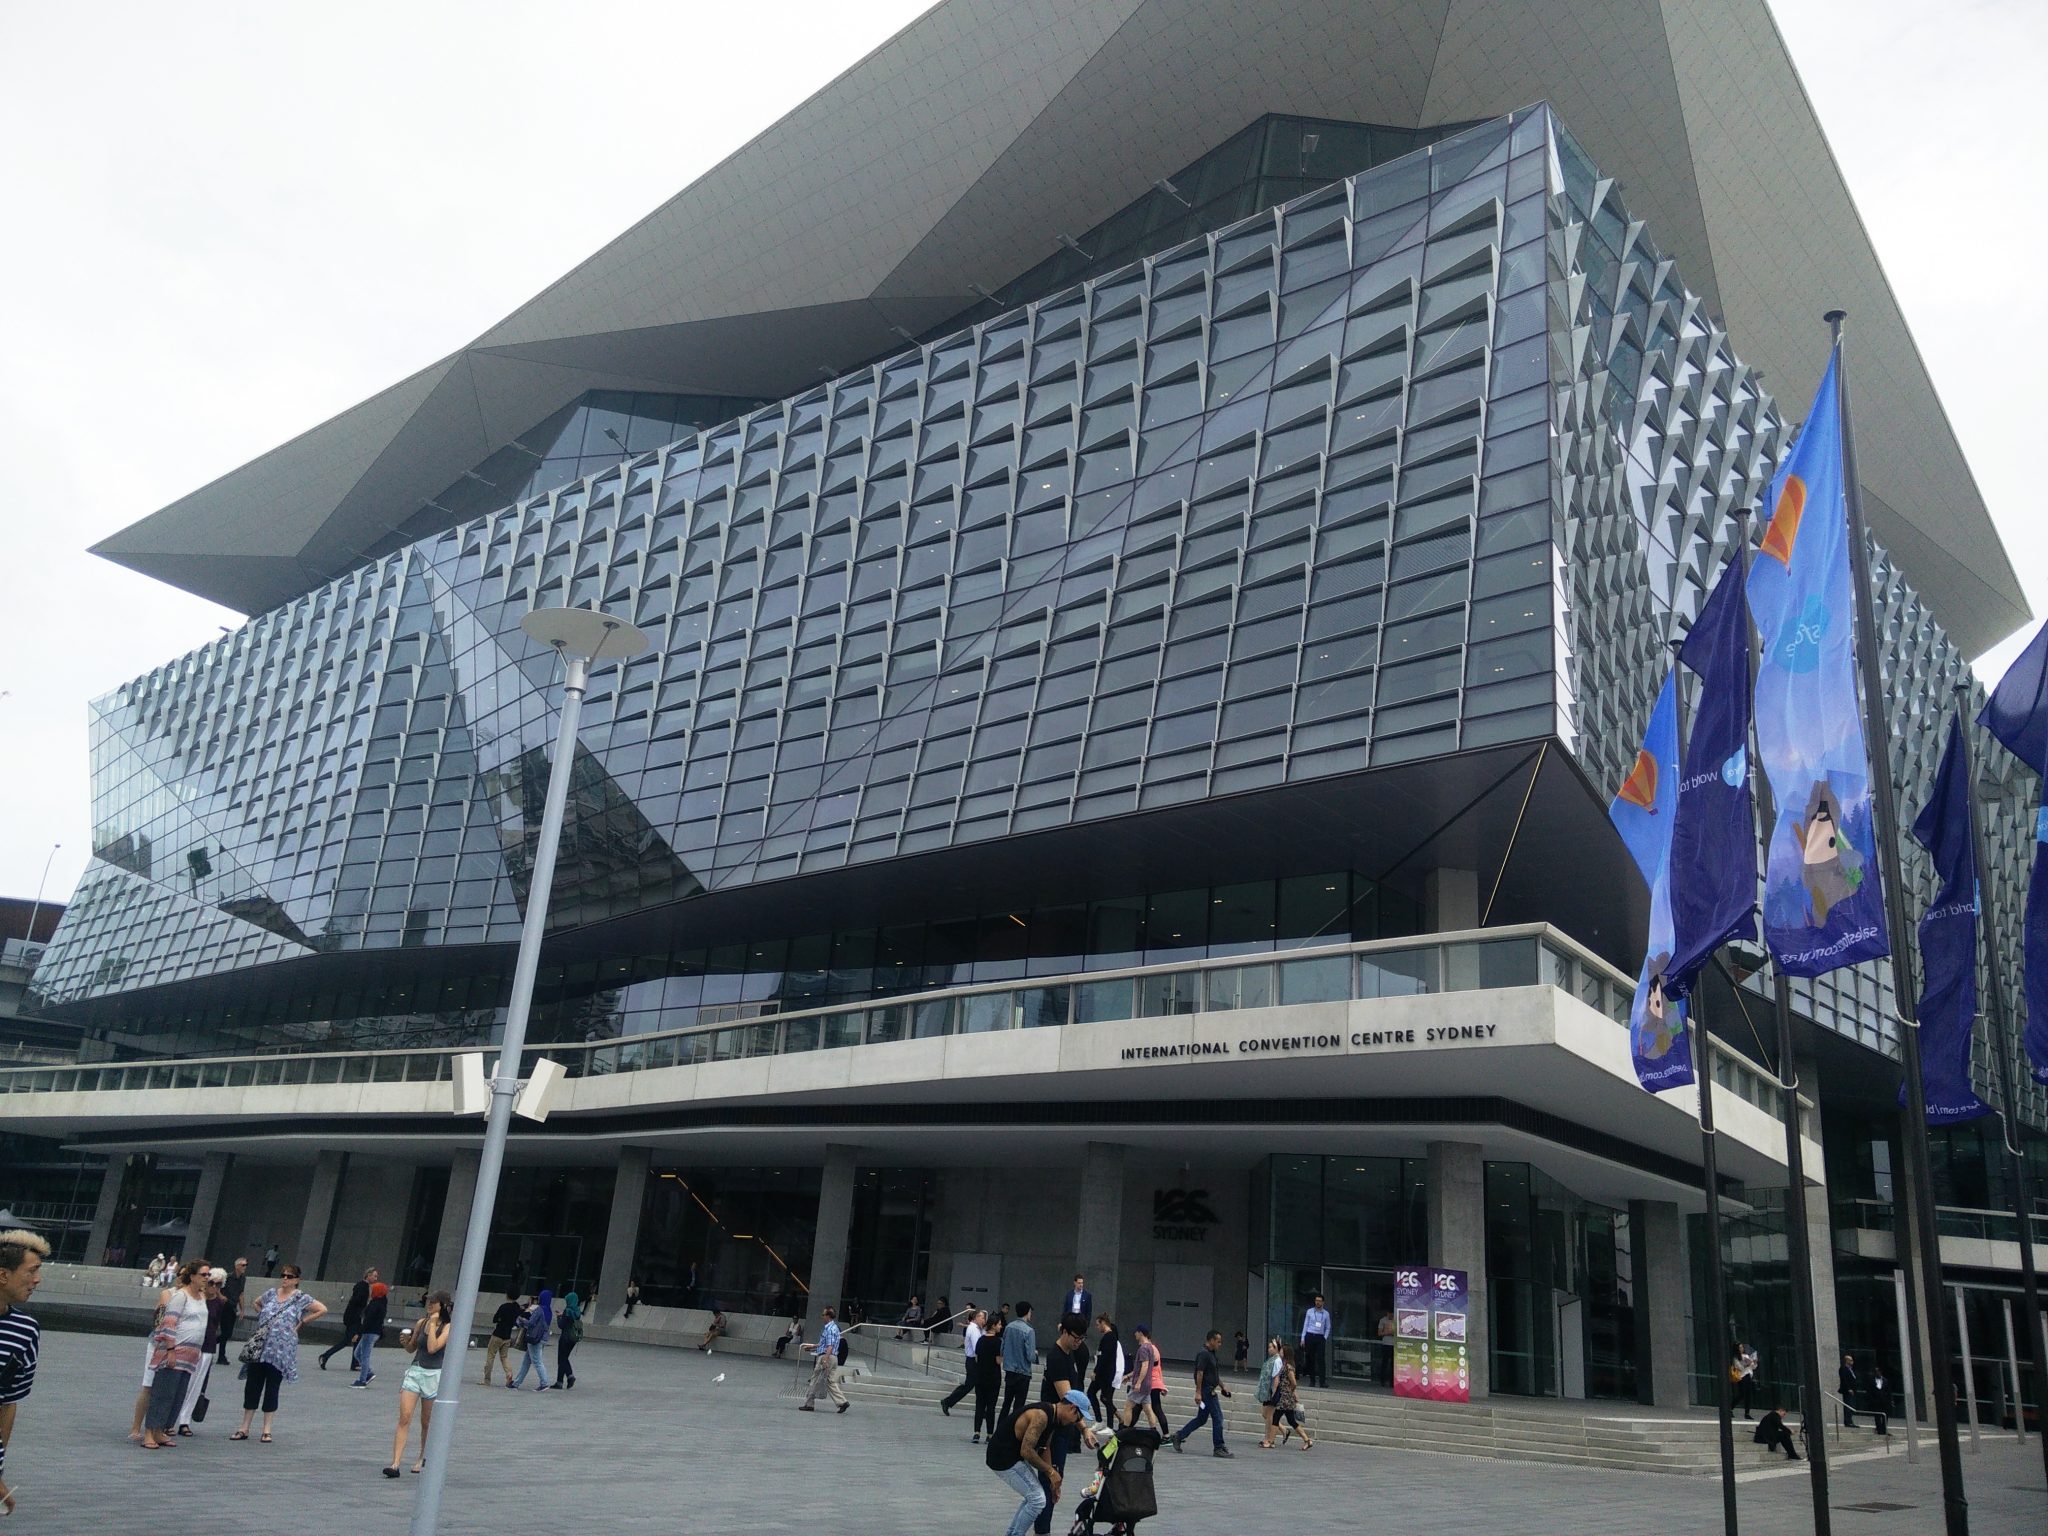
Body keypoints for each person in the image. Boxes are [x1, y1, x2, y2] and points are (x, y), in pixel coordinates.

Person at [231, 1263, 327, 1442]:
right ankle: (244, 1427)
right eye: (283, 1275)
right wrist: (264, 1318)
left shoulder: (300, 1298)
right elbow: (256, 1302)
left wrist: (302, 1322)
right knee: (252, 1386)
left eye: (289, 1276)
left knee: (272, 1387)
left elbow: (322, 1309)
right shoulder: (271, 1294)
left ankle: (267, 1429)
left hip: (281, 1350)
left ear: (297, 1280)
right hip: (260, 1347)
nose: (285, 1279)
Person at [987, 1393, 1089, 1536]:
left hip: (1011, 1456)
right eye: (1078, 1417)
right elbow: (1027, 1451)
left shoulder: (1054, 1418)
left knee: (1035, 1497)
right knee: (1037, 1500)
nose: (1075, 1422)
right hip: (1002, 1457)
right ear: (1072, 1408)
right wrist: (1051, 1472)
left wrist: (1053, 1480)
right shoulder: (1041, 1415)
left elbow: (1044, 1448)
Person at [0, 1228, 49, 1518]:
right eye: (31, 1271)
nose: (37, 1279)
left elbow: (7, 1403)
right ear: (3, 1275)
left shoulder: (25, 1330)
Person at [382, 1290, 452, 1477]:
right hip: (415, 1371)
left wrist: (434, 1323)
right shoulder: (421, 1323)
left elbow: (433, 1348)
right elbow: (412, 1348)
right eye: (428, 1302)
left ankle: (422, 1456)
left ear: (443, 1306)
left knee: (426, 1421)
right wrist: (406, 1342)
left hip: (433, 1374)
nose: (429, 1305)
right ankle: (395, 1463)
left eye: (434, 1303)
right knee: (404, 1417)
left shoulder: (447, 1327)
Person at [1032, 1320, 1091, 1535]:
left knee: (1054, 1481)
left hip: (1062, 1429)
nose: (1078, 1342)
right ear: (1064, 1332)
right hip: (1052, 1430)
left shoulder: (1068, 1354)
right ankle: (1042, 1531)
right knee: (1050, 1480)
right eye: (1076, 1337)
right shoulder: (1057, 1357)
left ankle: (1042, 1528)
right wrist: (1084, 1428)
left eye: (1082, 1338)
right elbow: (1069, 1400)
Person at [142, 1261, 209, 1449]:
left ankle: (160, 1430)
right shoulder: (181, 1296)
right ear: (193, 1276)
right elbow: (169, 1323)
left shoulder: (201, 1297)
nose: (206, 1278)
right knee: (162, 1393)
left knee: (176, 1396)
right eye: (203, 1274)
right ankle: (149, 1433)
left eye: (208, 1275)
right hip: (175, 1352)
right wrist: (170, 1350)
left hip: (190, 1356)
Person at [174, 1267, 229, 1435]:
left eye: (219, 1284)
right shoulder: (196, 1299)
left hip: (207, 1346)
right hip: (188, 1344)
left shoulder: (221, 1302)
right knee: (179, 1382)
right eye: (211, 1283)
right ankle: (170, 1419)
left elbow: (220, 1326)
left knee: (196, 1385)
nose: (214, 1287)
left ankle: (184, 1420)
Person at [1170, 1328, 1234, 1457]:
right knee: (1218, 1418)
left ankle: (1179, 1436)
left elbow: (1214, 1374)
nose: (1220, 1344)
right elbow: (1200, 1373)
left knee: (1201, 1419)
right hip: (1207, 1392)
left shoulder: (1212, 1354)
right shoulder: (1203, 1354)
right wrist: (1198, 1392)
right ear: (1211, 1340)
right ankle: (1218, 1447)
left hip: (1209, 1390)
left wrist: (1222, 1386)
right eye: (1218, 1341)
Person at [322, 1266, 377, 1369]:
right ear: (368, 1275)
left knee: (357, 1339)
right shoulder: (363, 1287)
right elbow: (357, 1303)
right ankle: (326, 1355)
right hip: (354, 1317)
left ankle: (354, 1363)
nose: (376, 1278)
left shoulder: (361, 1286)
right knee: (347, 1340)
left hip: (352, 1316)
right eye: (374, 1276)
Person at [798, 1305, 848, 1412]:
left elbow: (829, 1346)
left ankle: (809, 1404)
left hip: (827, 1356)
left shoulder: (829, 1329)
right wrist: (812, 1347)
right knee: (830, 1381)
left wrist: (825, 1359)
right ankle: (842, 1402)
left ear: (828, 1316)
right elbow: (825, 1344)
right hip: (833, 1357)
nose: (822, 1317)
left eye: (823, 1314)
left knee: (815, 1380)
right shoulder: (834, 1328)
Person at [1123, 1323, 1168, 1436]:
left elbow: (1144, 1366)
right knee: (1148, 1409)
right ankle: (1153, 1431)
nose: (1135, 1334)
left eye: (1136, 1332)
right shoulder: (1151, 1348)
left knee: (1128, 1407)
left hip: (1142, 1384)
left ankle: (1124, 1431)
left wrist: (1138, 1382)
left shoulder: (1143, 1349)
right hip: (1148, 1384)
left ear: (1141, 1333)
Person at [1266, 1344, 1313, 1449]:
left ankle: (1271, 1441)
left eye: (1282, 1351)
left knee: (1276, 1418)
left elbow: (1294, 1382)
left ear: (1286, 1353)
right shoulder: (1285, 1364)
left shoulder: (1288, 1367)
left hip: (1285, 1398)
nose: (1280, 1352)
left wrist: (1290, 1390)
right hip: (1286, 1397)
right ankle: (1307, 1440)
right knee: (1291, 1420)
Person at [939, 1307, 984, 1417]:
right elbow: (977, 1348)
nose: (984, 1320)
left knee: (978, 1386)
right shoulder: (974, 1330)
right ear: (976, 1318)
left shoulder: (975, 1329)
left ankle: (981, 1410)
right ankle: (948, 1401)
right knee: (969, 1385)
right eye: (982, 1317)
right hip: (974, 1361)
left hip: (972, 1360)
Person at [999, 1300, 1038, 1428]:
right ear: (1027, 1312)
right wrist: (1035, 1354)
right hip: (1023, 1372)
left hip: (1010, 1370)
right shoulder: (1029, 1331)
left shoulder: (1009, 1327)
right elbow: (1030, 1356)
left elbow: (1002, 1348)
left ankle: (1000, 1429)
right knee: (1019, 1406)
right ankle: (1012, 1431)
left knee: (1006, 1403)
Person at [971, 1315, 1007, 1443]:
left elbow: (976, 1358)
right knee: (991, 1406)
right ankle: (990, 1434)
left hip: (980, 1376)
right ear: (993, 1326)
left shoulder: (980, 1340)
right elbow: (998, 1361)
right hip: (993, 1377)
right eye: (999, 1324)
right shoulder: (998, 1342)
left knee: (979, 1405)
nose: (1001, 1326)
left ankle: (976, 1432)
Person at [510, 1289, 553, 1390]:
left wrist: (521, 1319)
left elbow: (531, 1323)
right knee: (526, 1361)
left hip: (534, 1338)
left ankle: (544, 1383)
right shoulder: (549, 1311)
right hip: (542, 1338)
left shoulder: (539, 1310)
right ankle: (516, 1383)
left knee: (537, 1361)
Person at [351, 1282, 390, 1387]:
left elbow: (368, 1320)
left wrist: (358, 1333)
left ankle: (362, 1380)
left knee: (364, 1356)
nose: (370, 1292)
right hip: (371, 1332)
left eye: (372, 1290)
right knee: (357, 1353)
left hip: (370, 1332)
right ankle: (368, 1373)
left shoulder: (375, 1304)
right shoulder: (381, 1302)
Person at [1087, 1315, 1124, 1422]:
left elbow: (1104, 1357)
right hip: (1106, 1372)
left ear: (1103, 1323)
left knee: (1105, 1397)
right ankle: (1104, 1422)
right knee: (1103, 1397)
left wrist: (1096, 1371)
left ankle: (1108, 1423)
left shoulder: (1110, 1338)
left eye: (1098, 1325)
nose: (1097, 1327)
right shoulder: (1109, 1338)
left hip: (1106, 1373)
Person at [484, 1291, 521, 1384]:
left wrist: (500, 1319)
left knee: (491, 1356)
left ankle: (487, 1380)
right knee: (504, 1357)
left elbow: (495, 1319)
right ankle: (509, 1373)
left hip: (497, 1334)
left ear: (507, 1295)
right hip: (507, 1336)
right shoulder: (517, 1308)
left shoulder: (504, 1307)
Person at [218, 1257, 249, 1363]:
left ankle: (211, 1344)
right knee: (225, 1332)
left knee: (228, 1334)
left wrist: (242, 1310)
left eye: (246, 1265)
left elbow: (241, 1294)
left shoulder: (243, 1279)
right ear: (237, 1266)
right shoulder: (227, 1277)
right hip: (225, 1306)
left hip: (233, 1306)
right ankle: (221, 1356)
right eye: (243, 1265)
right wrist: (222, 1297)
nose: (245, 1267)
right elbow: (218, 1288)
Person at [1254, 1336, 1283, 1443]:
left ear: (1276, 1348)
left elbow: (1276, 1377)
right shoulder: (1272, 1359)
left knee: (1269, 1415)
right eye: (1269, 1347)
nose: (1269, 1349)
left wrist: (1274, 1392)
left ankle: (1268, 1438)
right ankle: (1280, 1431)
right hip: (1268, 1390)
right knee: (1265, 1414)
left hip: (1272, 1391)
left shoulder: (1277, 1360)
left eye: (1271, 1347)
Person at [1300, 1294, 1332, 1389]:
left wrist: (1325, 1337)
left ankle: (1322, 1381)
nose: (1317, 1302)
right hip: (1310, 1335)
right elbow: (1305, 1325)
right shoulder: (1309, 1311)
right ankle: (1312, 1381)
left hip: (1320, 1337)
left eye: (1319, 1301)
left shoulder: (1326, 1314)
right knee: (1311, 1359)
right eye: (1316, 1300)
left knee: (1321, 1359)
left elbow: (1328, 1327)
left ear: (1323, 1302)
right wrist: (1303, 1338)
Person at [556, 1290, 586, 1386]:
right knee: (564, 1358)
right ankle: (562, 1380)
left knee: (562, 1359)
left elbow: (561, 1325)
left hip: (565, 1338)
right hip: (573, 1338)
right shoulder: (577, 1311)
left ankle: (567, 1377)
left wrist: (558, 1317)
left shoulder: (567, 1311)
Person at [1732, 1342, 1759, 1419]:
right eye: (1740, 1347)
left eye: (1742, 1347)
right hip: (1742, 1377)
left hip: (1749, 1375)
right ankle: (1731, 1407)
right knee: (1742, 1394)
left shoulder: (1746, 1356)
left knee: (1748, 1395)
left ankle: (1747, 1413)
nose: (1741, 1349)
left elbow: (1753, 1367)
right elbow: (1739, 1367)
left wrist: (1754, 1362)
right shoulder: (1736, 1358)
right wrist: (1746, 1364)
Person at [1867, 1360, 1890, 1436]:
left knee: (1885, 1416)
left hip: (1884, 1401)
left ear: (1881, 1372)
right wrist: (1872, 1400)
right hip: (1876, 1401)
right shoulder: (1871, 1380)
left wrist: (1889, 1400)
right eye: (1876, 1372)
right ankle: (1879, 1429)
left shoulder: (1885, 1380)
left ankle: (1884, 1429)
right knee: (1877, 1416)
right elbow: (1869, 1391)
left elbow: (1888, 1391)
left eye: (1878, 1371)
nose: (1877, 1373)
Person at [1837, 1353, 1860, 1428]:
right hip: (1848, 1391)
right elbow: (1844, 1380)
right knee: (1848, 1406)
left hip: (1853, 1391)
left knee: (1852, 1406)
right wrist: (1848, 1389)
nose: (1852, 1361)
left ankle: (1850, 1420)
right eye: (1850, 1360)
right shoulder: (1843, 1368)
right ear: (1847, 1361)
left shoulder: (1851, 1369)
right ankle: (1848, 1421)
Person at [1376, 1309, 1396, 1385]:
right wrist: (1387, 1332)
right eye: (1390, 1314)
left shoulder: (1396, 1320)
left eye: (1392, 1315)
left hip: (1394, 1344)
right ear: (1387, 1313)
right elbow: (1379, 1333)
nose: (1391, 1316)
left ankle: (1392, 1381)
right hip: (1386, 1344)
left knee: (1393, 1364)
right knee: (1385, 1362)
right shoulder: (1383, 1320)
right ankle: (1383, 1380)